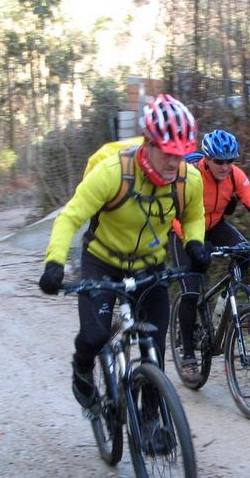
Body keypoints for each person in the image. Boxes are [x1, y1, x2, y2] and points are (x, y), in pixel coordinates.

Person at [38, 94, 208, 448]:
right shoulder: (113, 173)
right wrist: (54, 262)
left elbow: (194, 214)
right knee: (94, 334)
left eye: (181, 153)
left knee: (154, 350)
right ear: (148, 143)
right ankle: (82, 368)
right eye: (167, 152)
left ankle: (150, 422)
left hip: (150, 266)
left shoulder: (187, 179)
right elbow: (70, 218)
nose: (174, 162)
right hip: (102, 261)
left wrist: (194, 243)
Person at [167, 128, 250, 385]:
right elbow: (174, 213)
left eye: (230, 160)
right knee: (190, 291)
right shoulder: (190, 174)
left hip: (215, 225)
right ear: (207, 159)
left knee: (244, 253)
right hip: (184, 230)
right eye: (219, 161)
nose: (225, 166)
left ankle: (224, 303)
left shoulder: (235, 175)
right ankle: (188, 357)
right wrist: (193, 243)